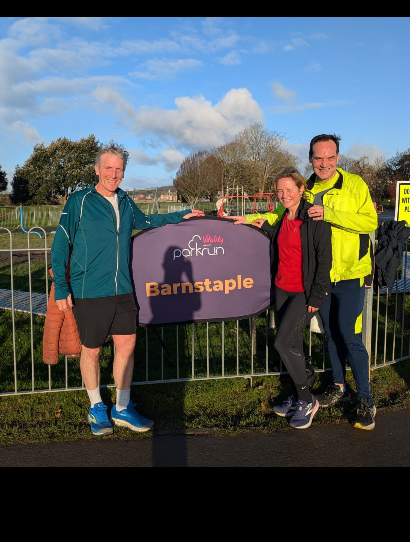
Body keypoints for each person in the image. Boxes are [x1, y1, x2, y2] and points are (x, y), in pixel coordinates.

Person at [225, 134, 379, 430]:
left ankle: (365, 399)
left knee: (349, 336)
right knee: (331, 335)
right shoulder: (306, 188)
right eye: (318, 157)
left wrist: (330, 214)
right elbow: (280, 213)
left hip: (349, 273)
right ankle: (338, 385)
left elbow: (370, 221)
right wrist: (251, 220)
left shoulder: (354, 184)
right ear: (310, 159)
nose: (324, 163)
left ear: (338, 157)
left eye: (330, 157)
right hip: (318, 278)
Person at [51, 142, 204, 436]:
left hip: (122, 288)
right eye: (108, 168)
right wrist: (61, 286)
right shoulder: (79, 201)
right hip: (89, 289)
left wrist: (181, 215)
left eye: (119, 169)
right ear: (97, 170)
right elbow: (61, 243)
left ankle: (121, 408)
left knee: (127, 345)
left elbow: (147, 221)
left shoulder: (125, 200)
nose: (113, 174)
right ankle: (96, 407)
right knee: (92, 350)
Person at [246, 167, 332, 429]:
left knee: (282, 343)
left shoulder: (314, 218)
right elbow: (284, 243)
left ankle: (307, 400)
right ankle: (298, 394)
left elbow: (324, 259)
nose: (284, 195)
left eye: (289, 190)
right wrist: (266, 228)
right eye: (279, 191)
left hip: (303, 292)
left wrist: (317, 295)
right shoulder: (284, 216)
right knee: (293, 343)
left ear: (301, 189)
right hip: (282, 288)